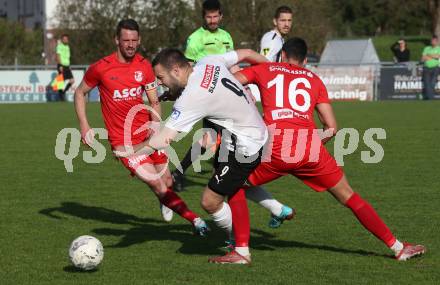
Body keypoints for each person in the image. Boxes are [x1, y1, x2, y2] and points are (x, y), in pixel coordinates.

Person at [209, 37, 426, 264]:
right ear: (305, 60)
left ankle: (241, 251)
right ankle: (398, 247)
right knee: (350, 196)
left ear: (282, 55)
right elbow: (332, 128)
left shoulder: (265, 69)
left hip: (275, 150)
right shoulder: (314, 79)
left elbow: (228, 85)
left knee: (234, 183)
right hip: (310, 149)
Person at [114, 48, 276, 254]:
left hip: (246, 145)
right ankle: (251, 232)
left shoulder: (191, 98)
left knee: (210, 201)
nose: (159, 83)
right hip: (253, 131)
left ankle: (240, 248)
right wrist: (273, 71)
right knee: (234, 188)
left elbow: (163, 140)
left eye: (161, 77)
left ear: (175, 70)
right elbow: (247, 53)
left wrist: (128, 151)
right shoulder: (208, 61)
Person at [74, 19, 208, 236]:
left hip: (148, 134)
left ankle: (166, 200)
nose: (130, 44)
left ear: (139, 40)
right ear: (116, 40)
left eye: (134, 40)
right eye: (126, 40)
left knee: (166, 181)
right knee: (157, 184)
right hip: (124, 144)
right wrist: (84, 125)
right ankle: (196, 221)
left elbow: (154, 101)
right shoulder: (101, 68)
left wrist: (155, 128)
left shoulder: (145, 66)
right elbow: (80, 92)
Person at [171, 0, 234, 193]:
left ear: (221, 16)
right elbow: (187, 69)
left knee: (211, 138)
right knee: (218, 137)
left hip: (224, 95)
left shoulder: (226, 37)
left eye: (216, 16)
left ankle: (180, 173)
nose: (213, 20)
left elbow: (232, 65)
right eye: (209, 16)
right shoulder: (195, 38)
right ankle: (221, 178)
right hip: (206, 95)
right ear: (203, 17)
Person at [56, 34, 75, 101]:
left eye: (66, 39)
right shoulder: (59, 46)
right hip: (61, 65)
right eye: (64, 39)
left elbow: (67, 57)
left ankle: (63, 92)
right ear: (62, 40)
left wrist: (69, 66)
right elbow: (58, 56)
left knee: (72, 81)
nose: (66, 40)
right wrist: (60, 65)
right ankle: (61, 97)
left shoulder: (67, 47)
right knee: (61, 81)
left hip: (67, 66)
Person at [421, 35, 440, 100]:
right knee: (426, 83)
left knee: (432, 83)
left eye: (434, 41)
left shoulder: (439, 48)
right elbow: (423, 58)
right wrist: (433, 56)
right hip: (426, 68)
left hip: (435, 68)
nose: (433, 42)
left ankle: (429, 98)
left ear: (437, 41)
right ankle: (430, 98)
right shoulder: (426, 48)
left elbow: (438, 57)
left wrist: (428, 55)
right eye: (432, 40)